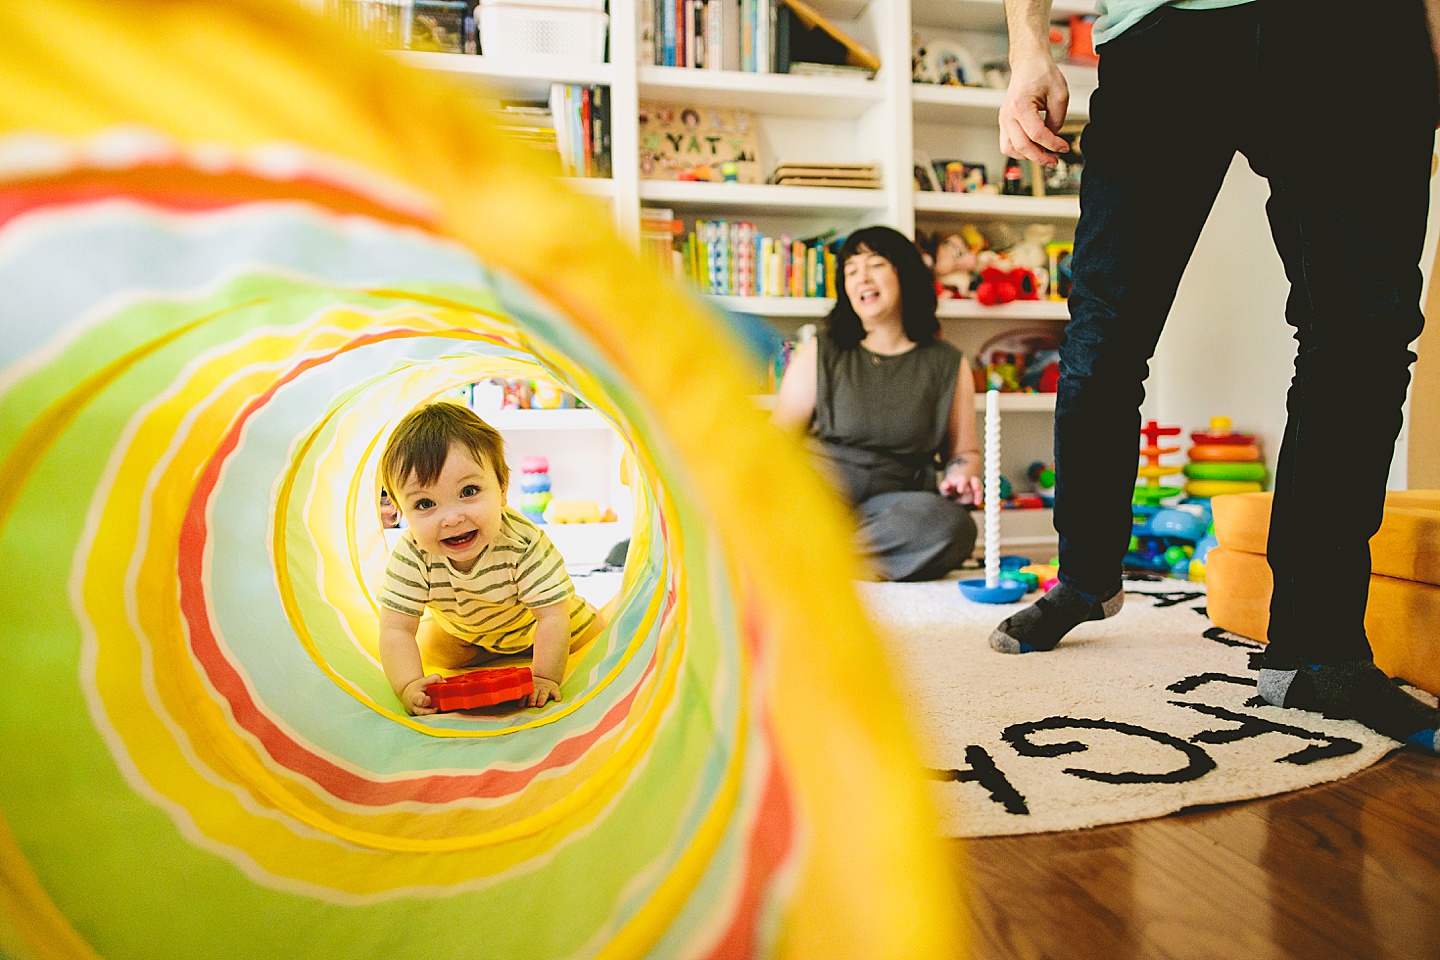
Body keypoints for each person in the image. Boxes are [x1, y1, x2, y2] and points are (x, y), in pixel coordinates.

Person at [992, 0, 1440, 752]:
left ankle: (1316, 650)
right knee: (1104, 331)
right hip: (1164, 28)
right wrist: (1027, 46)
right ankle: (1086, 576)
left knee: (1362, 330)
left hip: (1362, 27)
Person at [773, 225, 982, 581]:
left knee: (953, 528)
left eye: (875, 264)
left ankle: (819, 556)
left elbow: (964, 452)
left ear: (904, 273)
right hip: (821, 492)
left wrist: (961, 475)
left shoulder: (949, 363)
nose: (861, 278)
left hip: (894, 504)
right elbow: (776, 440)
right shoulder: (822, 351)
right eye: (851, 271)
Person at [375, 402, 603, 715]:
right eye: (425, 503)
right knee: (431, 646)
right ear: (401, 510)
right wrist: (409, 685)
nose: (452, 518)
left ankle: (581, 615)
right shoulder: (413, 554)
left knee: (595, 632)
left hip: (539, 625)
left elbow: (551, 617)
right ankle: (490, 652)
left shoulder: (522, 543)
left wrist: (545, 677)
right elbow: (396, 629)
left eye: (468, 491)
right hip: (470, 634)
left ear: (503, 489)